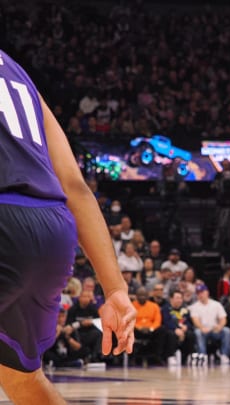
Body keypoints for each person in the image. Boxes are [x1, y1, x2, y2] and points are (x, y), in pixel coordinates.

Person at [0, 49, 135, 403]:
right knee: (21, 380)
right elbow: (74, 186)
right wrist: (116, 289)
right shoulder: (17, 74)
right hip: (51, 231)